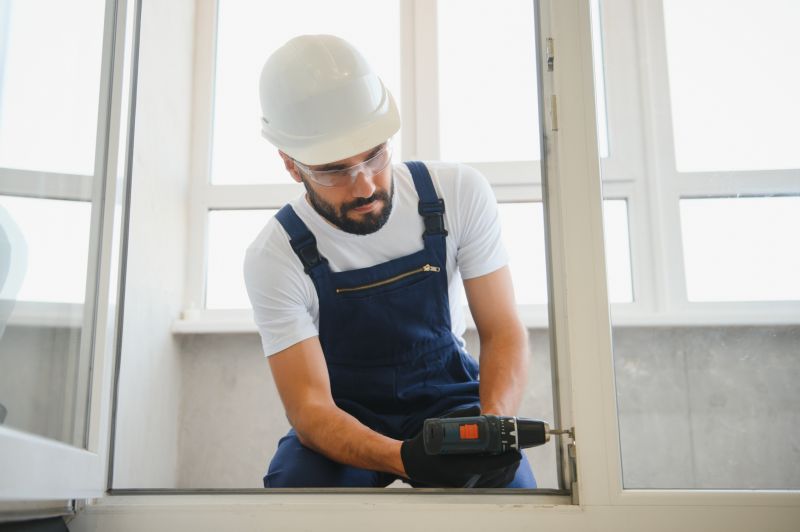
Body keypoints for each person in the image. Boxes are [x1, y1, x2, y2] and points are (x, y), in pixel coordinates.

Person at [244, 34, 535, 489]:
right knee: (294, 492)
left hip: (449, 399)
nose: (363, 186)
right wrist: (406, 459)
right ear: (290, 164)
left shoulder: (456, 194)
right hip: (344, 413)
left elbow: (503, 331)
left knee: (509, 492)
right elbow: (309, 409)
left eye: (375, 154)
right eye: (334, 169)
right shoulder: (274, 256)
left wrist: (491, 431)